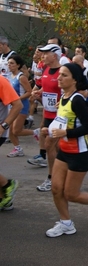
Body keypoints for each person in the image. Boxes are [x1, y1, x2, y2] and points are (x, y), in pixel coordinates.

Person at [43, 63, 88, 237]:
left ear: (74, 79)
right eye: (59, 74)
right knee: (56, 188)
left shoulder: (77, 100)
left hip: (79, 154)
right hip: (64, 151)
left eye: (64, 75)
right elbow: (63, 121)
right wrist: (50, 130)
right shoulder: (64, 97)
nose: (59, 78)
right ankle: (66, 223)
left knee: (71, 194)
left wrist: (65, 132)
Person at [28, 44, 63, 192]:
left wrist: (62, 101)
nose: (42, 56)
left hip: (60, 116)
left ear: (54, 55)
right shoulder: (46, 69)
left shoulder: (63, 71)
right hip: (48, 114)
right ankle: (58, 176)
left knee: (50, 145)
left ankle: (52, 178)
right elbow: (47, 87)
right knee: (54, 147)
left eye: (46, 53)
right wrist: (39, 92)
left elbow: (74, 91)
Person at [6, 54, 39, 158]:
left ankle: (36, 132)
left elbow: (29, 92)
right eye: (8, 63)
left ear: (18, 65)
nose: (9, 65)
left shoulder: (22, 77)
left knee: (16, 130)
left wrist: (16, 100)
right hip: (11, 106)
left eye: (12, 63)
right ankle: (17, 148)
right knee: (9, 129)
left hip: (21, 106)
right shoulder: (9, 76)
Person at [0, 75, 22, 210]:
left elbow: (17, 104)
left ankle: (7, 184)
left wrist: (4, 126)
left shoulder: (1, 81)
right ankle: (4, 199)